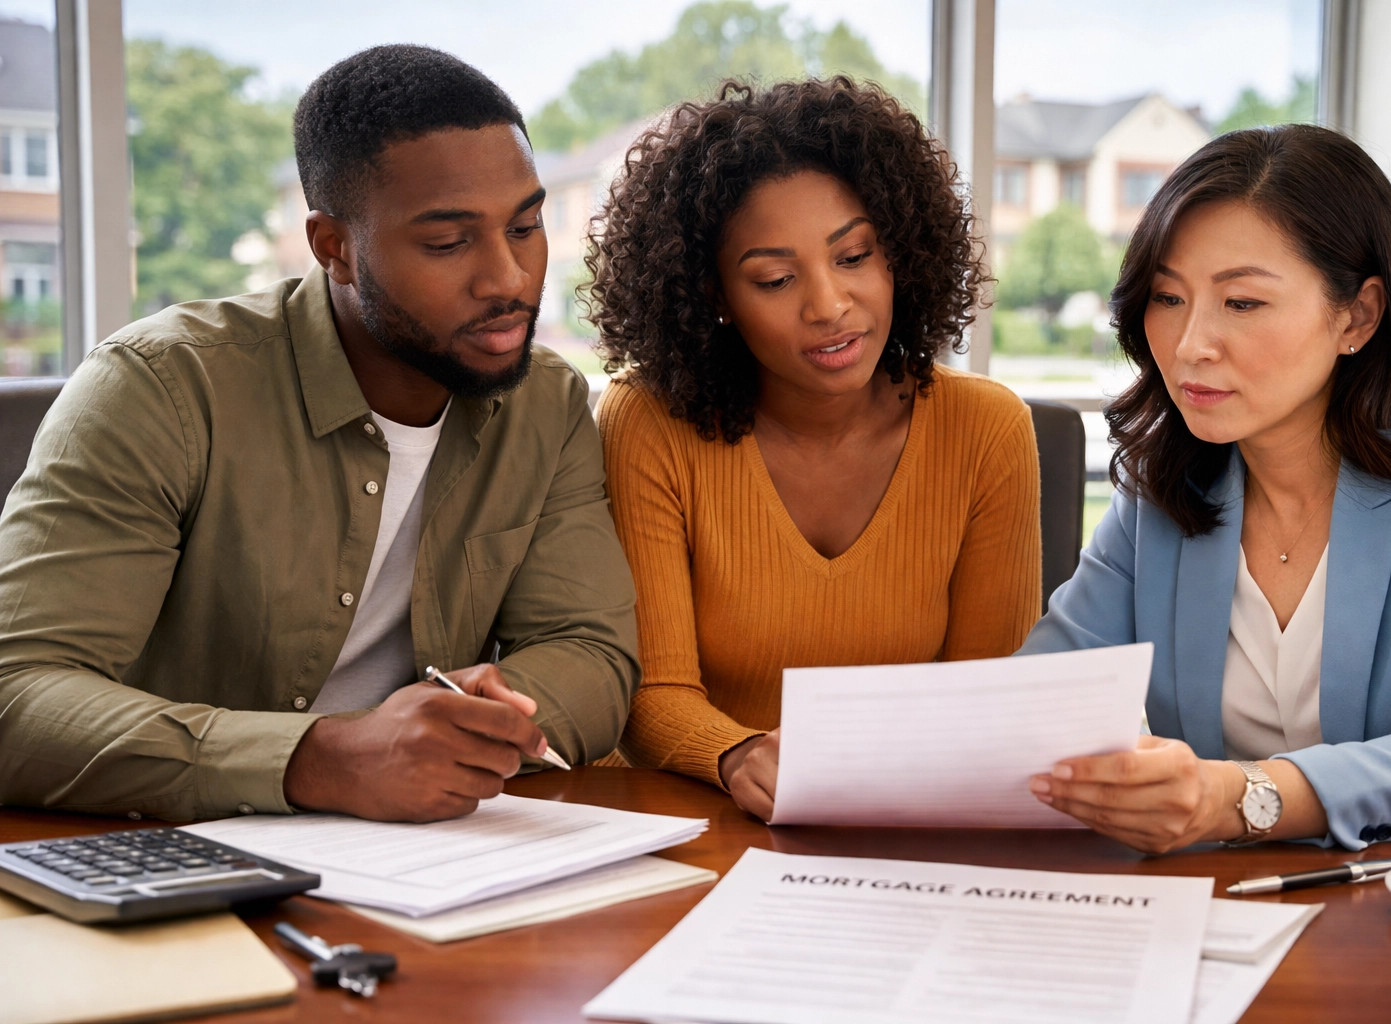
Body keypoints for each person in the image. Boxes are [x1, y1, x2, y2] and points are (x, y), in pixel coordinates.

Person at [0, 46, 639, 823]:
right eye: (448, 242)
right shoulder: (160, 388)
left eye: (526, 226)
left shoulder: (545, 402)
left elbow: (591, 653)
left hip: (422, 853)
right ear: (334, 247)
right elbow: (16, 695)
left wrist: (476, 722)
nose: (508, 278)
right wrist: (328, 757)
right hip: (170, 846)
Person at [1022, 124, 1391, 854]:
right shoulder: (1160, 488)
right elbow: (1036, 707)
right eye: (1167, 297)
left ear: (1358, 315)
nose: (1191, 344)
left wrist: (1243, 798)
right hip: (1214, 900)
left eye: (1241, 302)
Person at [588, 78, 1042, 820]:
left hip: (898, 818)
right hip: (687, 820)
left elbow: (985, 699)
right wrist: (739, 755)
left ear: (900, 253)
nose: (829, 306)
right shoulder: (649, 421)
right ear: (713, 297)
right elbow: (651, 694)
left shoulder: (986, 428)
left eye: (854, 256)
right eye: (775, 279)